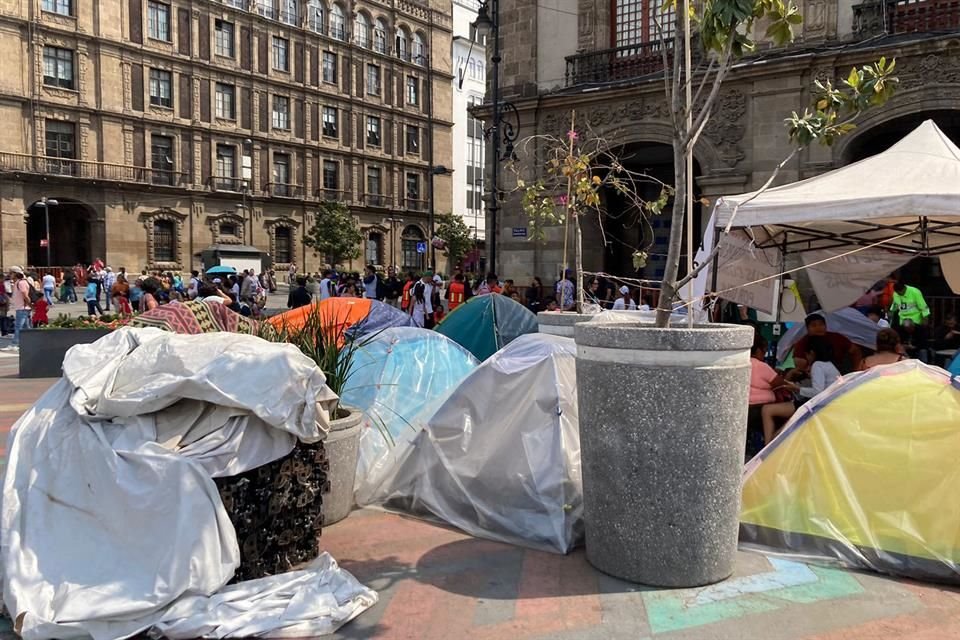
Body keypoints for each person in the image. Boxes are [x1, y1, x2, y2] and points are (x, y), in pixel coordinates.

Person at [762, 336, 840, 444]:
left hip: (814, 406)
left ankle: (767, 447)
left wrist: (797, 389)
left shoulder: (817, 365)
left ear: (812, 353)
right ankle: (768, 446)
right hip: (820, 404)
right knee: (771, 418)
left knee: (768, 412)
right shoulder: (829, 365)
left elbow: (818, 391)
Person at [791, 312, 862, 372]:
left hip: (839, 371)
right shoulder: (802, 343)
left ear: (825, 326)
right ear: (807, 328)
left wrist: (856, 369)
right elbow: (800, 366)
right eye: (813, 325)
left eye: (821, 324)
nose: (818, 328)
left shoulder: (836, 337)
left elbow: (855, 351)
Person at [6, 267, 31, 350]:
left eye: (11, 273)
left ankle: (15, 344)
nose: (10, 275)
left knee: (18, 326)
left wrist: (29, 304)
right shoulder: (18, 282)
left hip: (22, 307)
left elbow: (25, 294)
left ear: (16, 273)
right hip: (21, 307)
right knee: (25, 327)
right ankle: (29, 342)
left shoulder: (21, 283)